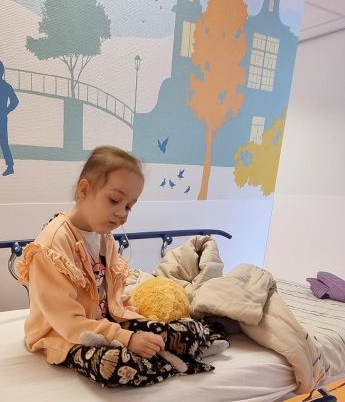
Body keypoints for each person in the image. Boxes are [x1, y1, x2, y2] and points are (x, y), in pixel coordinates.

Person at [17, 146, 223, 387]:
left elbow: (113, 296)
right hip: (64, 334)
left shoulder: (104, 236)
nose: (122, 214)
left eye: (128, 206)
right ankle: (179, 360)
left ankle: (192, 344)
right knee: (115, 366)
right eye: (114, 200)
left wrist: (138, 325)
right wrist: (126, 338)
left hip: (106, 323)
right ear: (84, 190)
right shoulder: (52, 245)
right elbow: (66, 321)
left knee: (184, 333)